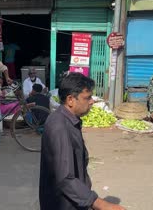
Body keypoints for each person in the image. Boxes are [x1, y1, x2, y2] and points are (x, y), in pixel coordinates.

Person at [40, 72, 125, 210]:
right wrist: (100, 204)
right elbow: (65, 178)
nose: (92, 101)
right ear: (70, 100)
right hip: (63, 203)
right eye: (87, 98)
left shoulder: (69, 120)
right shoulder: (59, 126)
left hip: (73, 199)